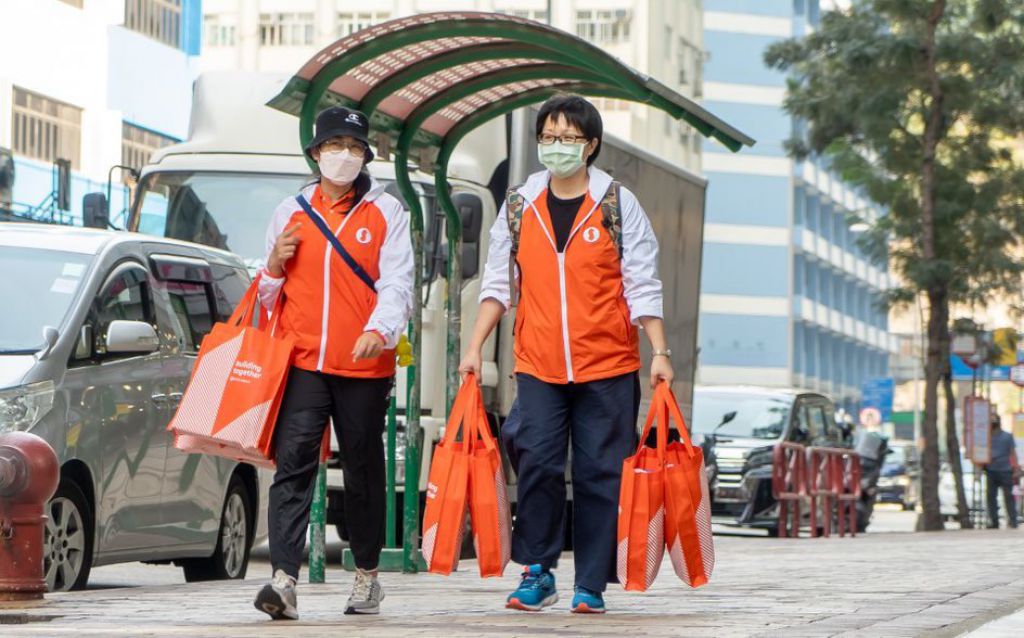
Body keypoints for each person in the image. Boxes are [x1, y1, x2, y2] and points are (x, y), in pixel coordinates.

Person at [459, 94, 674, 614]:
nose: (558, 147)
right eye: (549, 138)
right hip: (538, 364)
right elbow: (496, 285)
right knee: (535, 460)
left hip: (608, 366)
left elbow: (642, 284)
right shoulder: (518, 206)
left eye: (570, 139)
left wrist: (660, 351)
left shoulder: (617, 206)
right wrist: (473, 347)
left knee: (601, 472)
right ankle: (538, 569)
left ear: (591, 145)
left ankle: (592, 583)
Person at [252, 106, 413, 620]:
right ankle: (283, 581)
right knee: (293, 463)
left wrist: (379, 330)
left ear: (366, 156)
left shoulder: (386, 212)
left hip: (364, 366)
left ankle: (366, 576)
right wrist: (273, 264)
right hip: (303, 361)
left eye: (354, 147)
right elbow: (267, 296)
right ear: (316, 153)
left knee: (364, 468)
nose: (344, 155)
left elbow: (398, 283)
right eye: (334, 145)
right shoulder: (290, 210)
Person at [984, 414, 1020, 529]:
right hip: (991, 470)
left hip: (1005, 470)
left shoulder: (1007, 436)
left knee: (1008, 497)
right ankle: (994, 521)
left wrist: (1016, 468)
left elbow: (1013, 453)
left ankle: (1013, 520)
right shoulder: (987, 437)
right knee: (991, 497)